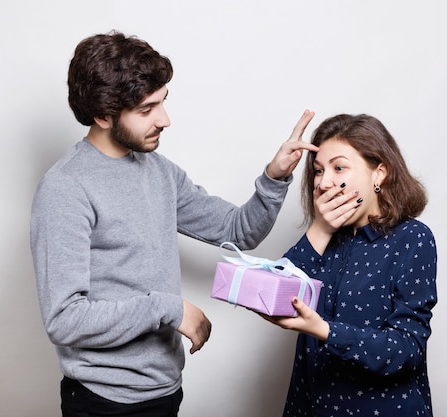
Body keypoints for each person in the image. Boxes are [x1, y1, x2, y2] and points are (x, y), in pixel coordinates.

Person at [29, 31, 317, 417]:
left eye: (163, 103)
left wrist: (275, 176)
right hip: (104, 404)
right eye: (147, 110)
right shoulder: (66, 188)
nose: (164, 120)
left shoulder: (160, 173)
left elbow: (238, 230)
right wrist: (169, 309)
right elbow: (64, 320)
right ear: (102, 115)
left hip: (166, 391)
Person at [263, 114, 438, 416]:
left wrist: (326, 331)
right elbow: (269, 298)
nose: (324, 181)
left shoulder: (412, 239)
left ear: (379, 173)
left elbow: (405, 348)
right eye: (318, 171)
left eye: (339, 167)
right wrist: (320, 229)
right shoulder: (323, 239)